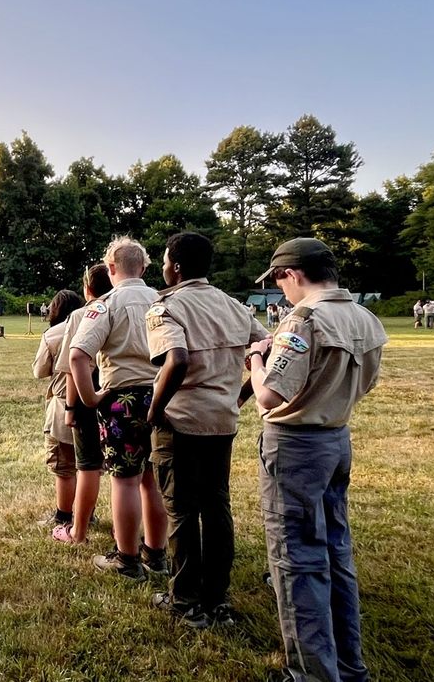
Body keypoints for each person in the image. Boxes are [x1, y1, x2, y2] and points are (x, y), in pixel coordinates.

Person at [247, 238, 386, 682]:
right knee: (335, 553)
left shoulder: (303, 319)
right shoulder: (364, 317)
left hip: (295, 444)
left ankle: (310, 673)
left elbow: (268, 395)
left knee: (296, 558)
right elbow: (366, 383)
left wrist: (255, 358)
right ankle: (348, 665)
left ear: (292, 275)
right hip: (336, 437)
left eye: (279, 282)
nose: (280, 291)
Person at [146, 232, 269, 629]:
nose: (163, 267)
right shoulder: (231, 304)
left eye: (165, 260)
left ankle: (184, 601)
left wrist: (153, 411)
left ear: (176, 266)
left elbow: (176, 360)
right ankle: (217, 598)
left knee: (180, 510)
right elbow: (267, 346)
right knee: (216, 508)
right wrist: (239, 396)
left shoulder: (167, 307)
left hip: (180, 422)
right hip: (222, 422)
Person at [65, 238, 169, 582]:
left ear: (111, 268)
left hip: (122, 399)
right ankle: (156, 554)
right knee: (153, 479)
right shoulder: (163, 300)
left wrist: (91, 397)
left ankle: (127, 560)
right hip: (163, 396)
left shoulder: (106, 304)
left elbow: (78, 355)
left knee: (125, 481)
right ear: (143, 267)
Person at [52, 263, 113, 538]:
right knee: (133, 474)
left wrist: (70, 407)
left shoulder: (80, 315)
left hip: (89, 397)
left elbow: (71, 366)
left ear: (87, 288)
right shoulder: (131, 306)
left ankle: (78, 530)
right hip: (124, 393)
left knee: (87, 466)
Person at [32, 289, 84, 539]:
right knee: (87, 466)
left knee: (64, 466)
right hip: (95, 403)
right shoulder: (97, 327)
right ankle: (87, 511)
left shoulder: (53, 334)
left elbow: (39, 371)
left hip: (63, 406)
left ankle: (63, 515)